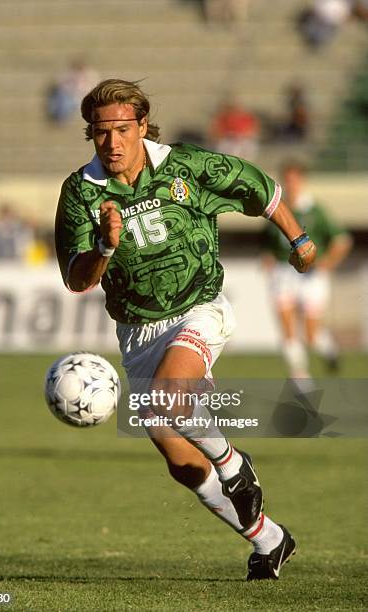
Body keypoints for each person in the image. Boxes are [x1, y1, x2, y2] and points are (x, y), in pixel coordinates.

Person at [55, 79, 317, 580]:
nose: (111, 142)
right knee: (177, 456)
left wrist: (298, 237)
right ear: (89, 133)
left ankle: (234, 462)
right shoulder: (80, 192)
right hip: (137, 332)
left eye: (121, 130)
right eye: (100, 132)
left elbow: (258, 187)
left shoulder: (186, 166)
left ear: (141, 126)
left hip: (199, 307)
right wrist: (105, 247)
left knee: (170, 400)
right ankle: (269, 538)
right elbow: (75, 278)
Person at [263, 161, 352, 378]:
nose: (291, 184)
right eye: (288, 179)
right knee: (288, 329)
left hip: (310, 275)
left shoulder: (315, 211)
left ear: (302, 181)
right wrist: (267, 257)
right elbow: (267, 242)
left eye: (295, 179)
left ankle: (329, 350)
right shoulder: (278, 208)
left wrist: (327, 262)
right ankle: (300, 377)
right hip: (283, 273)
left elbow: (342, 240)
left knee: (311, 336)